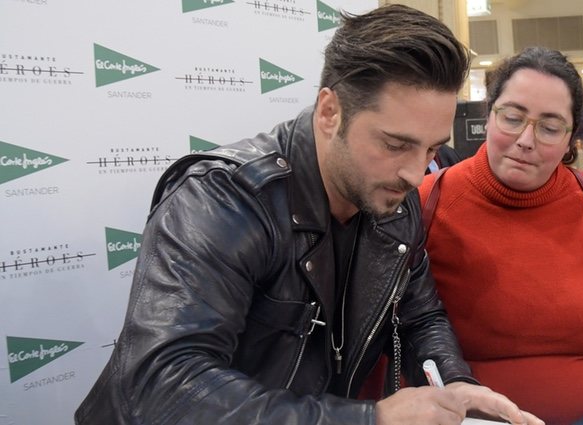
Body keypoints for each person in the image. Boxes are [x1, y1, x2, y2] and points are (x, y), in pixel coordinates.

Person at [73, 5, 543, 425]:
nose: (414, 173)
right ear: (329, 111)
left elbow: (420, 317)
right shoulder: (223, 200)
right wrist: (369, 419)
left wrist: (455, 386)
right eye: (395, 144)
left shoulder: (394, 205)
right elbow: (163, 387)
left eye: (432, 150)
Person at [419, 46, 583, 424]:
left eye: (550, 127)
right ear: (488, 117)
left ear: (572, 140)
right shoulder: (427, 204)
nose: (526, 139)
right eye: (512, 117)